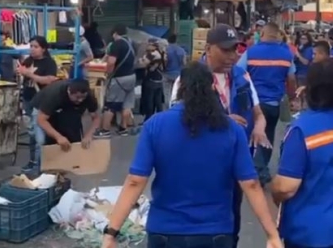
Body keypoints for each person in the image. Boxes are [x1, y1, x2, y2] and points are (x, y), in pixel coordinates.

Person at [101, 62, 281, 248]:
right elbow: (250, 184)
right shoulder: (232, 130)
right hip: (215, 232)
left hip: (165, 231)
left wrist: (111, 232)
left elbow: (135, 181)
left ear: (179, 88)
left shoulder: (155, 125)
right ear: (213, 88)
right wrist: (272, 235)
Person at [168, 23, 270, 248]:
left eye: (235, 50)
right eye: (225, 50)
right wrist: (222, 120)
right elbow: (178, 122)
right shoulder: (189, 80)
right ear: (208, 48)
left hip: (234, 164)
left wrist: (259, 128)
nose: (232, 56)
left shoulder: (242, 77)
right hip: (201, 165)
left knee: (232, 220)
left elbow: (258, 114)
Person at [272, 59, 333, 248]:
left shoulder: (302, 130)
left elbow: (285, 187)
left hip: (311, 232)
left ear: (310, 89)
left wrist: (274, 192)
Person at [237, 22, 296, 186]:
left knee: (253, 135)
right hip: (274, 104)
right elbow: (291, 80)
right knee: (268, 135)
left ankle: (257, 169)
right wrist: (291, 98)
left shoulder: (251, 52)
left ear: (262, 34)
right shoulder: (287, 54)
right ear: (277, 35)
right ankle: (261, 169)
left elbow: (238, 74)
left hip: (254, 103)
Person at [18, 36, 59, 173]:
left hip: (41, 102)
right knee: (31, 132)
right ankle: (32, 161)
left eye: (36, 47)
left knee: (39, 134)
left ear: (43, 48)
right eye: (31, 46)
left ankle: (41, 163)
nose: (32, 49)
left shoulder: (49, 63)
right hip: (28, 99)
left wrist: (29, 74)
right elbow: (22, 73)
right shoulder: (28, 61)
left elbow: (49, 80)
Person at [30, 79, 100, 152]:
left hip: (66, 109)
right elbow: (41, 120)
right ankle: (37, 162)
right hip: (41, 110)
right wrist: (58, 137)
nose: (80, 100)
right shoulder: (55, 95)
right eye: (78, 97)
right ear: (69, 92)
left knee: (73, 138)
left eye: (83, 97)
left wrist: (89, 135)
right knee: (41, 141)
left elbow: (96, 118)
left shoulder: (89, 96)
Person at [97, 24, 136, 137]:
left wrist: (108, 73)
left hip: (119, 78)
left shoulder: (116, 45)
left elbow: (111, 62)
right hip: (131, 77)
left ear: (115, 33)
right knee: (127, 105)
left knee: (111, 105)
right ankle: (123, 128)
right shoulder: (130, 43)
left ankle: (105, 130)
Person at [139, 41, 166, 122]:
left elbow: (143, 64)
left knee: (149, 100)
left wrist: (141, 59)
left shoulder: (152, 54)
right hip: (159, 80)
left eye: (149, 44)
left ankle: (148, 118)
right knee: (158, 102)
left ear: (154, 46)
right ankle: (160, 119)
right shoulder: (162, 53)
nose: (147, 46)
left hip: (151, 80)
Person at [163, 33, 186, 107]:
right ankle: (174, 107)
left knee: (167, 93)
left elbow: (164, 62)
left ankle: (167, 108)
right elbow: (184, 63)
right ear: (176, 40)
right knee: (176, 93)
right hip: (177, 74)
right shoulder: (182, 50)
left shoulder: (165, 50)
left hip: (167, 74)